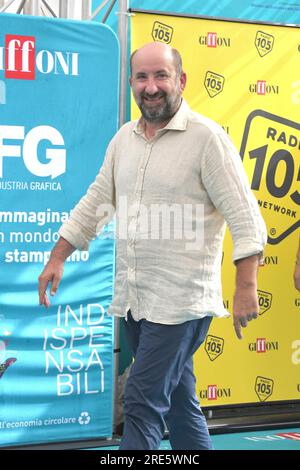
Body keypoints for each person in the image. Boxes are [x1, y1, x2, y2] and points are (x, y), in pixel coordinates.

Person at [38, 42, 267, 450]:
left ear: (181, 80)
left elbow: (246, 216)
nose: (151, 86)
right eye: (142, 77)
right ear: (130, 84)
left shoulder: (207, 139)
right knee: (179, 402)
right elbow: (95, 202)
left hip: (180, 305)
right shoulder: (123, 139)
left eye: (161, 75)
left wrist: (247, 286)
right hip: (135, 301)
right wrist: (58, 256)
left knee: (141, 402)